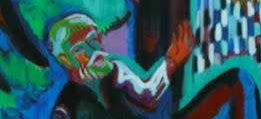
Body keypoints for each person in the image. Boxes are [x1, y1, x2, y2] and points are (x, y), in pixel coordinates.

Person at [47, 13, 194, 118]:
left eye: (92, 39)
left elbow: (146, 94)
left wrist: (171, 62)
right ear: (65, 59)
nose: (91, 50)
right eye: (79, 49)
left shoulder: (112, 68)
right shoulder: (68, 98)